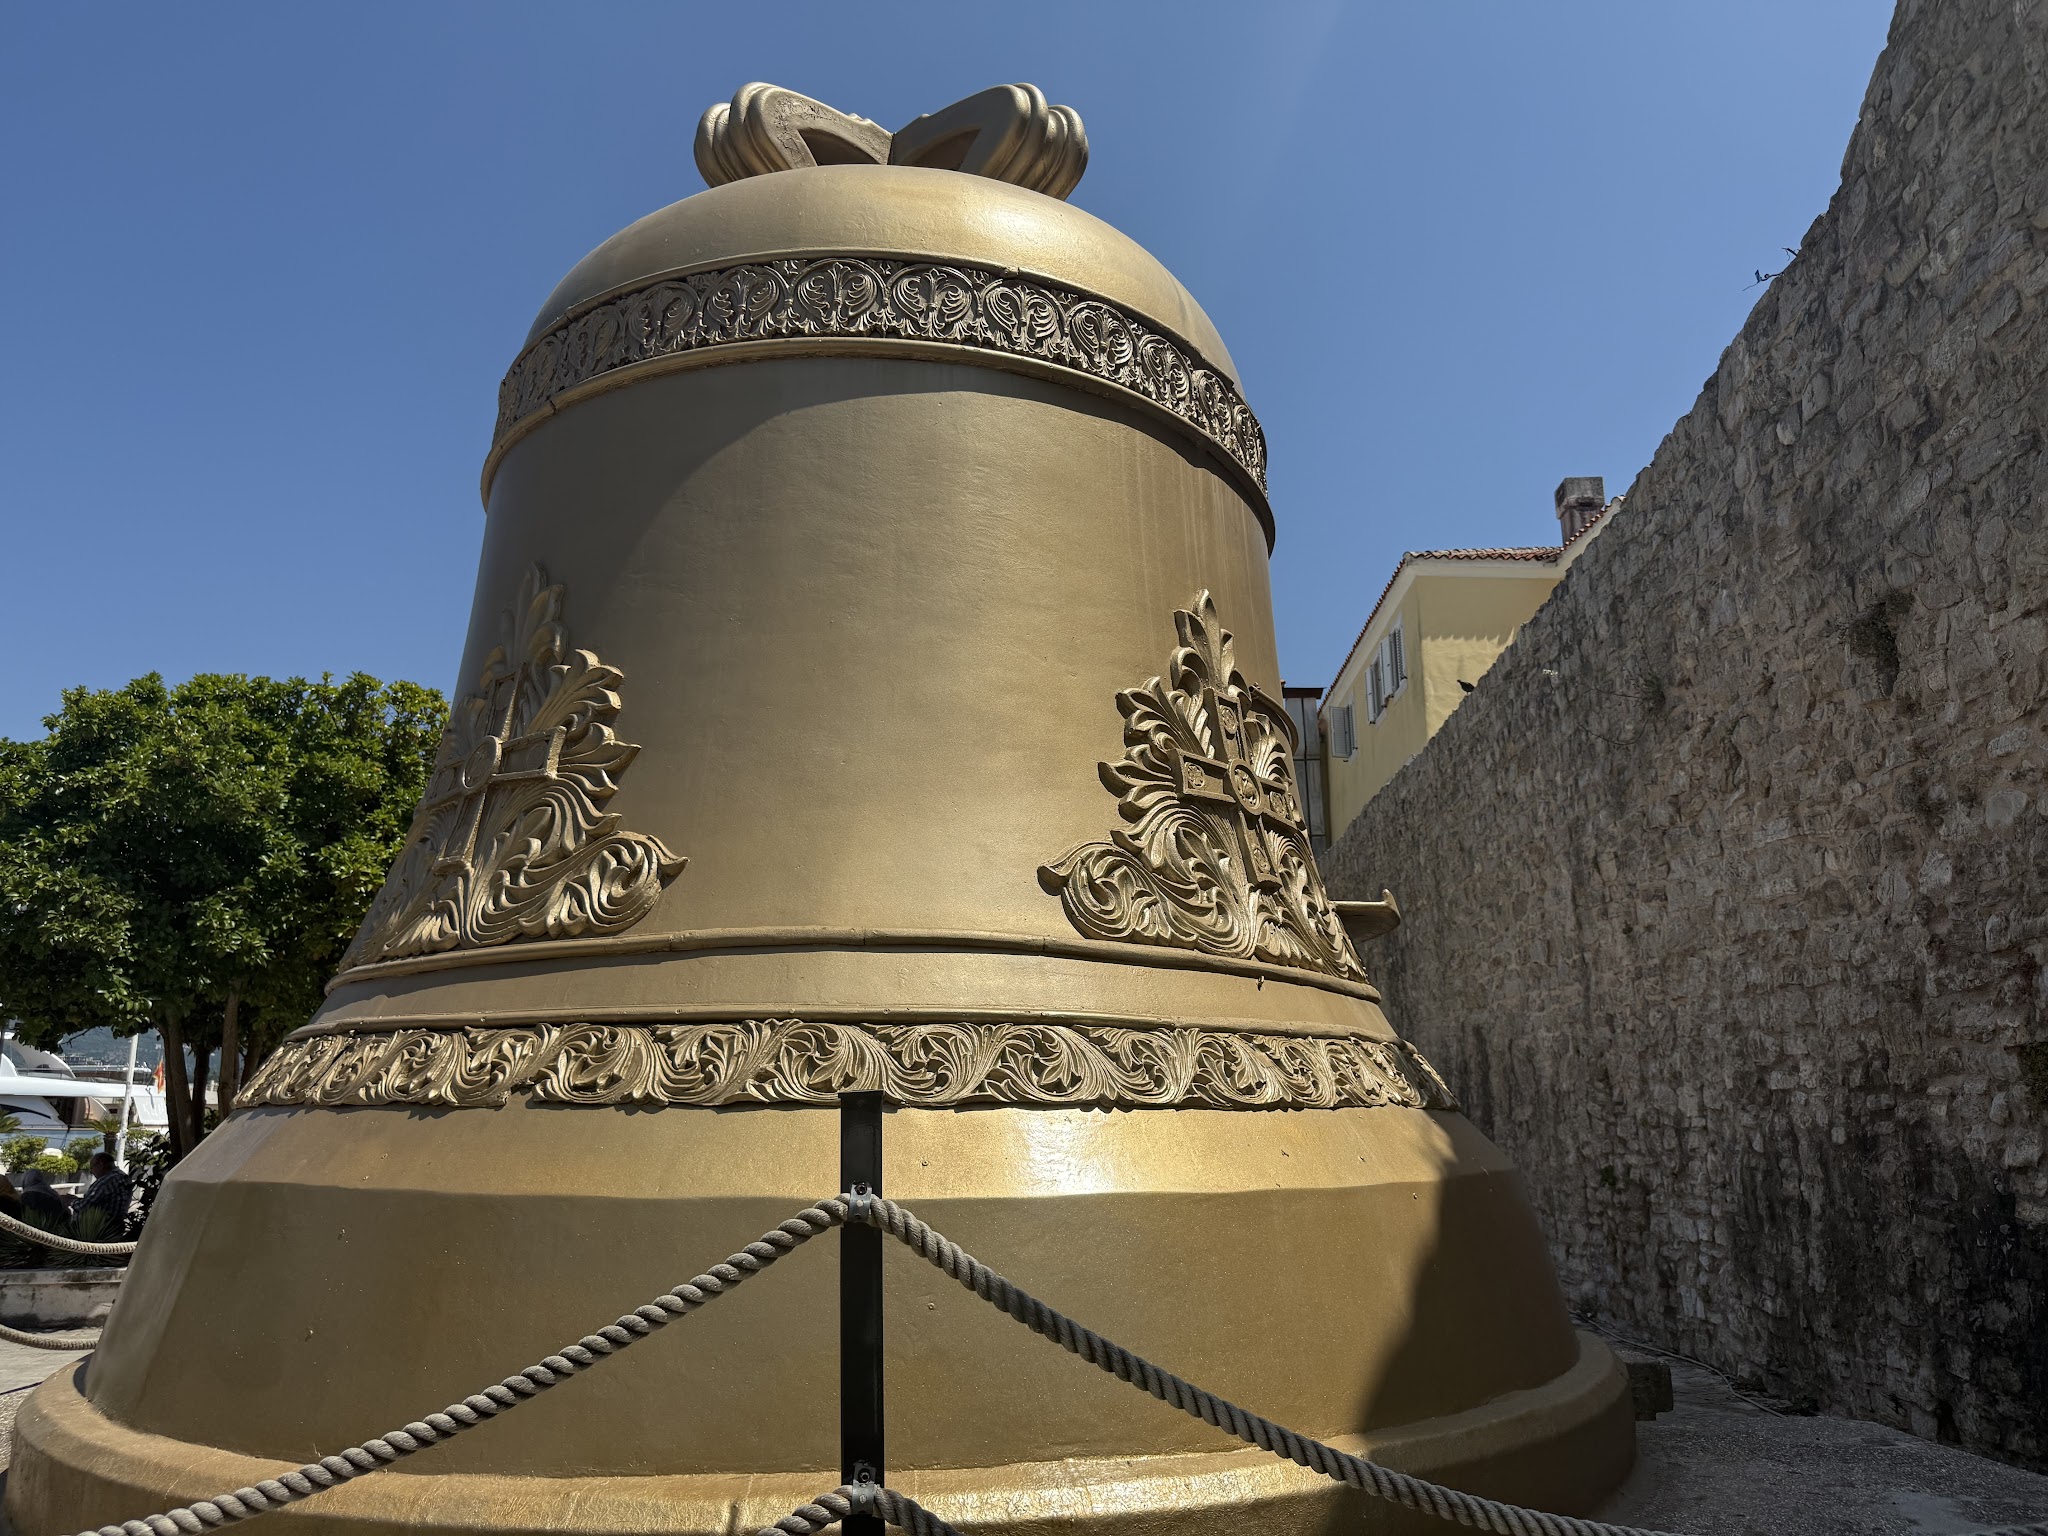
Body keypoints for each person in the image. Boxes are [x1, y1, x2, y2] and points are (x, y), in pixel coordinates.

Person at [78, 1151, 132, 1228]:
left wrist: (71, 1201)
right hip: (118, 1227)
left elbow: (84, 1206)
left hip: (100, 1228)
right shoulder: (125, 1177)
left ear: (101, 1165)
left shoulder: (106, 1181)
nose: (91, 1171)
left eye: (92, 1167)